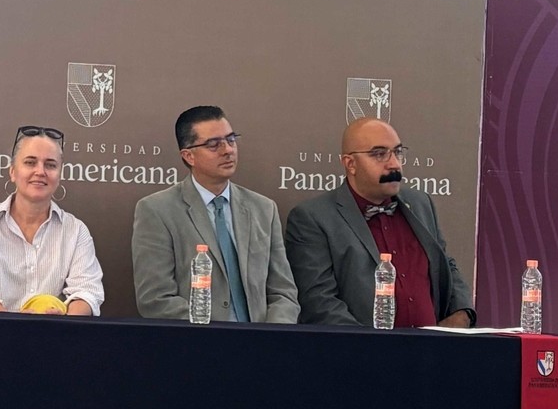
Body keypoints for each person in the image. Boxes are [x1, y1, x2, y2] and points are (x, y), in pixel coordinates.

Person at [284, 117, 475, 328]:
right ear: (350, 164)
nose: (394, 164)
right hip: (359, 347)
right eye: (379, 154)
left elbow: (445, 264)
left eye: (398, 152)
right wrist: (375, 344)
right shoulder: (313, 218)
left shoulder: (421, 204)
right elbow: (319, 303)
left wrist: (462, 312)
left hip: (432, 346)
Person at [131, 106, 299, 323]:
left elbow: (283, 293)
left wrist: (271, 334)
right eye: (213, 144)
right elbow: (155, 299)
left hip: (261, 338)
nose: (227, 150)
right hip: (196, 338)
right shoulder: (157, 210)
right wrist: (215, 333)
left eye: (231, 139)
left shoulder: (264, 209)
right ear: (189, 156)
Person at [0, 126, 104, 315]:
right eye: (30, 162)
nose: (40, 171)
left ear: (59, 175)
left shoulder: (76, 231)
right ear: (12, 171)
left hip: (58, 331)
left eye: (50, 165)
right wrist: (15, 325)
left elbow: (87, 292)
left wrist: (67, 322)